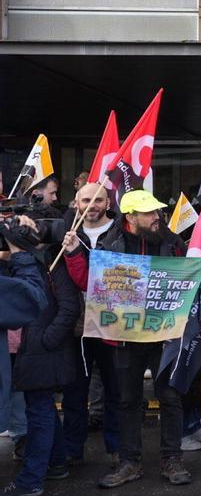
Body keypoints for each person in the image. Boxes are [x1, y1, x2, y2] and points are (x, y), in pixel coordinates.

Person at [61, 190, 193, 488]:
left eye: (156, 212)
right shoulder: (110, 244)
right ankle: (129, 461)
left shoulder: (172, 243)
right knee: (126, 400)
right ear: (131, 218)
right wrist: (71, 254)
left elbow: (187, 281)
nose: (156, 217)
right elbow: (88, 283)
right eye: (148, 213)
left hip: (164, 337)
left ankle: (172, 458)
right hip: (124, 339)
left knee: (170, 397)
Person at [49, 183, 121, 467]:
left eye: (99, 200)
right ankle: (71, 449)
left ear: (108, 202)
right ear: (76, 203)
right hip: (76, 327)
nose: (92, 205)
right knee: (75, 391)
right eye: (87, 200)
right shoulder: (64, 232)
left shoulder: (119, 231)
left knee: (116, 390)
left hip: (112, 324)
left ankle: (117, 448)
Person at [0, 243, 77, 496]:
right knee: (41, 407)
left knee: (39, 410)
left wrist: (44, 341)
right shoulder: (10, 265)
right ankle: (56, 463)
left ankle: (31, 480)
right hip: (15, 351)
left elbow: (68, 309)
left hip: (37, 351)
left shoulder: (50, 264)